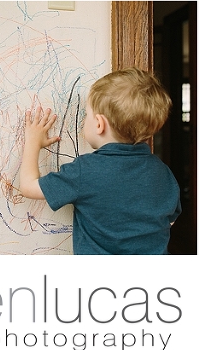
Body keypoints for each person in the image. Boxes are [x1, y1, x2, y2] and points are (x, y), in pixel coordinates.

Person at [19, 67, 181, 255]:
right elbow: (170, 219)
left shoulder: (84, 171)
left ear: (99, 124)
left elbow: (28, 186)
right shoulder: (162, 171)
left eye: (87, 114)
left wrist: (33, 141)